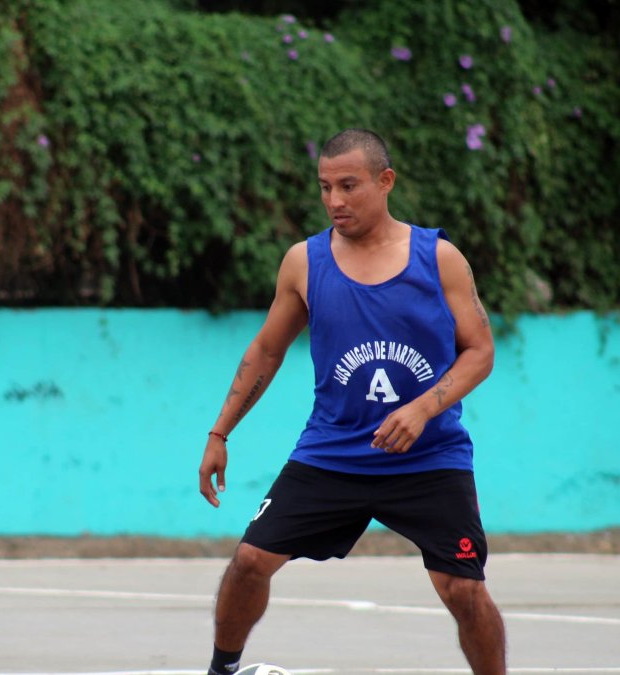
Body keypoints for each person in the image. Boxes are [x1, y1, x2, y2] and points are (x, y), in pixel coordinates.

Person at [198, 128, 506, 675]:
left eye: (349, 185)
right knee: (248, 562)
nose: (335, 201)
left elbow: (480, 352)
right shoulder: (304, 262)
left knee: (463, 589)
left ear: (385, 182)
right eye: (324, 187)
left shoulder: (439, 259)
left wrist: (422, 408)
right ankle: (222, 670)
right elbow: (267, 351)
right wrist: (220, 433)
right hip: (333, 452)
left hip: (428, 458)